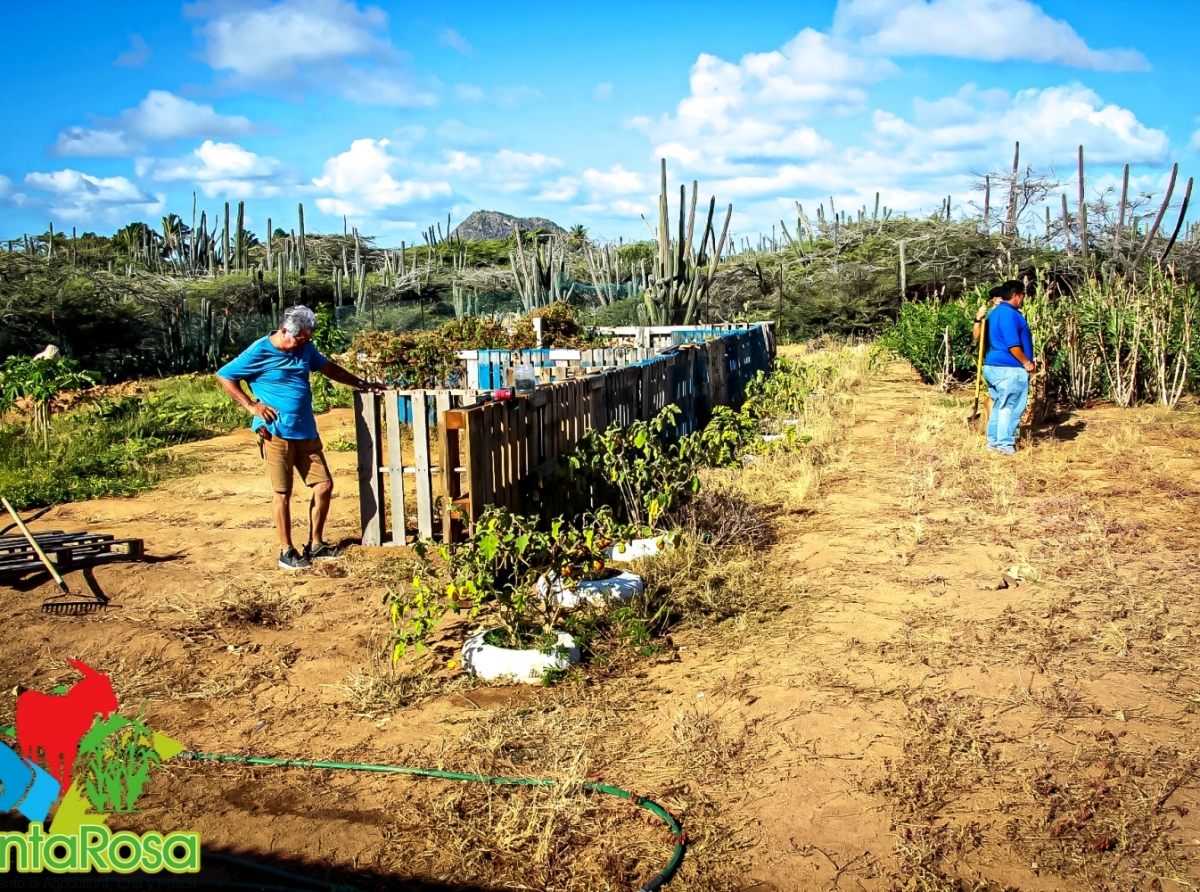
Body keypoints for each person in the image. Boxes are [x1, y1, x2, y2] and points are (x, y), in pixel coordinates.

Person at [216, 306, 382, 570]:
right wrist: (251, 406)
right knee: (283, 492)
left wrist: (361, 383)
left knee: (324, 485)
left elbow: (329, 368)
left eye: (307, 340)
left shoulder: (305, 348)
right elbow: (225, 375)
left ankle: (315, 545)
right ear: (284, 331)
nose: (303, 345)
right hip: (275, 432)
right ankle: (286, 551)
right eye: (299, 340)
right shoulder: (259, 351)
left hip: (306, 430)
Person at [981, 280, 1035, 455]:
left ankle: (994, 442)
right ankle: (1004, 445)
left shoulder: (995, 312)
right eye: (1022, 296)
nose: (1023, 299)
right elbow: (1013, 344)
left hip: (993, 366)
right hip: (1009, 368)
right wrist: (1026, 362)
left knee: (998, 405)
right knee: (1009, 407)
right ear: (1016, 296)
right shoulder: (1009, 315)